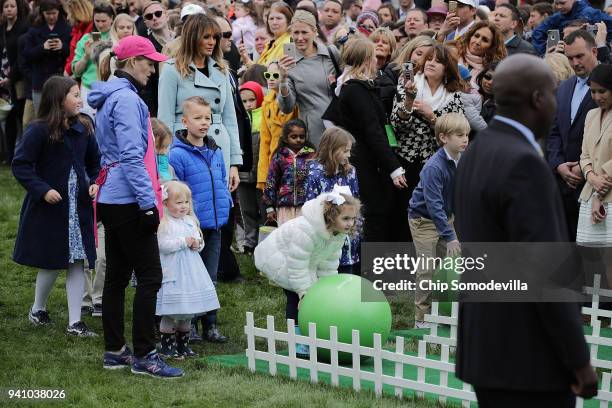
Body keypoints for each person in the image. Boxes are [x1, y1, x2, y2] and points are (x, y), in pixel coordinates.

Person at [454, 54, 597, 407]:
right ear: (538, 98)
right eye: (553, 94)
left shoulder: (477, 150)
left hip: (485, 346)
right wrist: (578, 359)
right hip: (527, 355)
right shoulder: (523, 163)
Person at [87, 35, 183, 378]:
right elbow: (131, 156)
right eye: (148, 62)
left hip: (112, 197)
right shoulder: (126, 100)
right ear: (130, 62)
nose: (153, 70)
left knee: (115, 277)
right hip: (128, 198)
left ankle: (115, 351)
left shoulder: (112, 94)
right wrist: (147, 203)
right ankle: (146, 355)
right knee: (149, 276)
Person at [13, 76, 100, 337]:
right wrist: (43, 190)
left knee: (77, 261)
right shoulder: (39, 130)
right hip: (51, 209)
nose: (80, 99)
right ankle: (38, 309)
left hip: (78, 208)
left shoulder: (83, 128)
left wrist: (95, 182)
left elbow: (94, 163)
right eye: (74, 94)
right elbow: (21, 165)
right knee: (51, 262)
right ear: (58, 100)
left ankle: (75, 323)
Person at [254, 185, 360, 355]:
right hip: (281, 259)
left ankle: (312, 337)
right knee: (295, 299)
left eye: (353, 219)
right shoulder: (306, 231)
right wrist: (304, 293)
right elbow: (297, 264)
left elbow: (330, 262)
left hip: (306, 262)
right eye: (346, 218)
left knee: (315, 298)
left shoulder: (338, 233)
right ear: (331, 216)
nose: (350, 223)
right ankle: (297, 341)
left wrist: (327, 289)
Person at [322, 37, 407, 242]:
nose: (377, 61)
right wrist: (394, 167)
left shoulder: (351, 86)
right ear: (366, 60)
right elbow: (373, 131)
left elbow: (329, 118)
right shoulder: (356, 89)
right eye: (373, 57)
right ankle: (370, 271)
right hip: (369, 164)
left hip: (366, 161)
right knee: (375, 217)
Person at [168, 96, 232, 343]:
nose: (204, 123)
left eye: (208, 118)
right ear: (184, 121)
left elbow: (222, 179)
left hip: (215, 225)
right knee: (192, 276)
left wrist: (226, 202)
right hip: (192, 227)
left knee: (210, 276)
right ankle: (190, 324)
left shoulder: (215, 150)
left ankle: (211, 324)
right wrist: (188, 220)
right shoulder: (177, 155)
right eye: (198, 118)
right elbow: (177, 190)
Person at [158, 13, 242, 193]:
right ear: (192, 38)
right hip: (184, 148)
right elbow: (164, 121)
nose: (212, 42)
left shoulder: (222, 70)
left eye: (215, 37)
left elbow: (230, 118)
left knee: (220, 206)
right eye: (206, 37)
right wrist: (164, 166)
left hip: (219, 147)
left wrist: (234, 163)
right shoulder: (172, 70)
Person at [408, 112, 468, 328]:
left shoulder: (463, 159)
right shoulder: (434, 167)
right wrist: (450, 236)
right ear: (443, 138)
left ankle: (446, 312)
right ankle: (421, 318)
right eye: (459, 135)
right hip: (423, 220)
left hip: (445, 217)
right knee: (427, 268)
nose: (465, 139)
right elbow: (434, 206)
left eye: (467, 135)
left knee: (452, 266)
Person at [156, 180, 221, 359]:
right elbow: (162, 245)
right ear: (166, 203)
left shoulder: (190, 221)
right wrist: (183, 242)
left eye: (186, 202)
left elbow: (199, 241)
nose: (183, 206)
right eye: (178, 203)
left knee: (187, 312)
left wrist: (197, 244)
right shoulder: (165, 223)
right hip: (174, 271)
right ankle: (167, 345)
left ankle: (183, 345)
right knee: (170, 312)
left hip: (192, 272)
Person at [390, 44, 464, 198]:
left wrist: (432, 117)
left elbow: (457, 133)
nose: (431, 63)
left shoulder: (454, 95)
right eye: (429, 59)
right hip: (404, 160)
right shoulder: (408, 83)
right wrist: (409, 100)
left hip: (435, 163)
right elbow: (395, 125)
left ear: (447, 68)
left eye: (438, 61)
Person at [547, 30, 598, 242]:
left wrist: (582, 165)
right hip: (563, 183)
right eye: (569, 58)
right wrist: (558, 165)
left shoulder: (607, 85)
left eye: (580, 56)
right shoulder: (565, 87)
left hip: (595, 183)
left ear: (594, 51)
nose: (575, 62)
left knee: (594, 258)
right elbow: (555, 131)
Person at [276, 10, 340, 147]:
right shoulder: (288, 63)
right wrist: (282, 80)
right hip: (313, 133)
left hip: (340, 126)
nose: (300, 38)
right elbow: (286, 107)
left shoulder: (331, 53)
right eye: (296, 33)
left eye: (304, 32)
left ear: (315, 32)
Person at [305, 126, 361, 275]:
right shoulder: (315, 174)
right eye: (345, 151)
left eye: (349, 150)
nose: (348, 155)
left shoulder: (350, 172)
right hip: (325, 241)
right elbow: (311, 209)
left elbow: (356, 201)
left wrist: (356, 231)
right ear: (331, 149)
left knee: (346, 278)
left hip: (347, 237)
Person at [577, 64, 612, 254]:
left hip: (608, 193)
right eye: (593, 91)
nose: (597, 97)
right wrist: (591, 177)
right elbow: (584, 155)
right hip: (590, 192)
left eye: (602, 91)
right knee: (593, 257)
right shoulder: (591, 115)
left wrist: (600, 190)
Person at [263, 119, 316, 225]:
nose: (298, 140)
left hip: (306, 206)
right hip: (285, 206)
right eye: (294, 136)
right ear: (286, 138)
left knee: (303, 236)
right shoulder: (279, 156)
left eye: (302, 136)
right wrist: (269, 207)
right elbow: (271, 181)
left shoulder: (312, 156)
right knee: (286, 236)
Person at [22, 0, 71, 115]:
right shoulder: (34, 30)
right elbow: (27, 55)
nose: (51, 16)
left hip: (60, 79)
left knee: (60, 114)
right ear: (42, 13)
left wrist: (62, 47)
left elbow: (73, 53)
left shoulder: (67, 28)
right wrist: (42, 48)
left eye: (54, 13)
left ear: (59, 12)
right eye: (48, 13)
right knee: (41, 115)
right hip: (40, 80)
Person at [257, 60, 299, 190]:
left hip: (294, 160)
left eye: (275, 75)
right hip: (274, 163)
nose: (270, 79)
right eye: (267, 75)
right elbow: (264, 141)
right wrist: (263, 177)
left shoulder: (294, 100)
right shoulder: (266, 103)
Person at [72, 1, 115, 118]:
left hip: (111, 88)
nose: (100, 25)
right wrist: (86, 56)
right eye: (97, 21)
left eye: (104, 21)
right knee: (89, 125)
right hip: (89, 89)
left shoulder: (117, 37)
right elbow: (76, 71)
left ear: (112, 19)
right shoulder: (86, 39)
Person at [0, 0, 29, 164]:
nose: (9, 9)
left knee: (21, 116)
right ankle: (10, 156)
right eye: (6, 7)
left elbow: (21, 57)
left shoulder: (23, 28)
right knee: (8, 118)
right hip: (3, 79)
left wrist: (11, 78)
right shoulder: (2, 28)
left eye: (12, 6)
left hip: (18, 80)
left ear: (18, 9)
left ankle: (22, 156)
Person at [238, 80, 264, 254]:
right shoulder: (239, 118)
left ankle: (263, 244)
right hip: (243, 173)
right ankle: (249, 243)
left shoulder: (264, 117)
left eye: (251, 100)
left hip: (260, 173)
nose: (248, 104)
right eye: (244, 101)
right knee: (247, 210)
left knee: (262, 209)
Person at [531, 0, 612, 56]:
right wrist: (543, 53)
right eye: (556, 3)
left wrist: (602, 44)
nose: (559, 7)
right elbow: (538, 32)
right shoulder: (558, 16)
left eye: (562, 3)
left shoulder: (590, 13)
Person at [141, 1, 173, 117]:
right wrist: (154, 117)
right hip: (160, 104)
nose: (154, 18)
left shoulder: (181, 40)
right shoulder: (145, 46)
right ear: (146, 23)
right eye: (149, 16)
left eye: (158, 13)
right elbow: (147, 87)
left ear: (167, 15)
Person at [456, 20, 506, 90]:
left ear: (491, 47)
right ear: (470, 36)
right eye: (476, 36)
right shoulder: (453, 54)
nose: (477, 42)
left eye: (485, 40)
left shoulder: (489, 71)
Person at [257, 1, 293, 66]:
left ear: (288, 21)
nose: (274, 22)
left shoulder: (289, 44)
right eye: (271, 19)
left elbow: (289, 72)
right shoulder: (270, 44)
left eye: (279, 18)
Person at [64, 0, 94, 77]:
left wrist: (68, 72)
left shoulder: (91, 29)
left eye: (69, 14)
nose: (67, 18)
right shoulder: (77, 29)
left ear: (77, 13)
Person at [151, 118, 175, 182]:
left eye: (166, 147)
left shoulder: (169, 168)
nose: (163, 152)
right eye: (158, 147)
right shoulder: (141, 167)